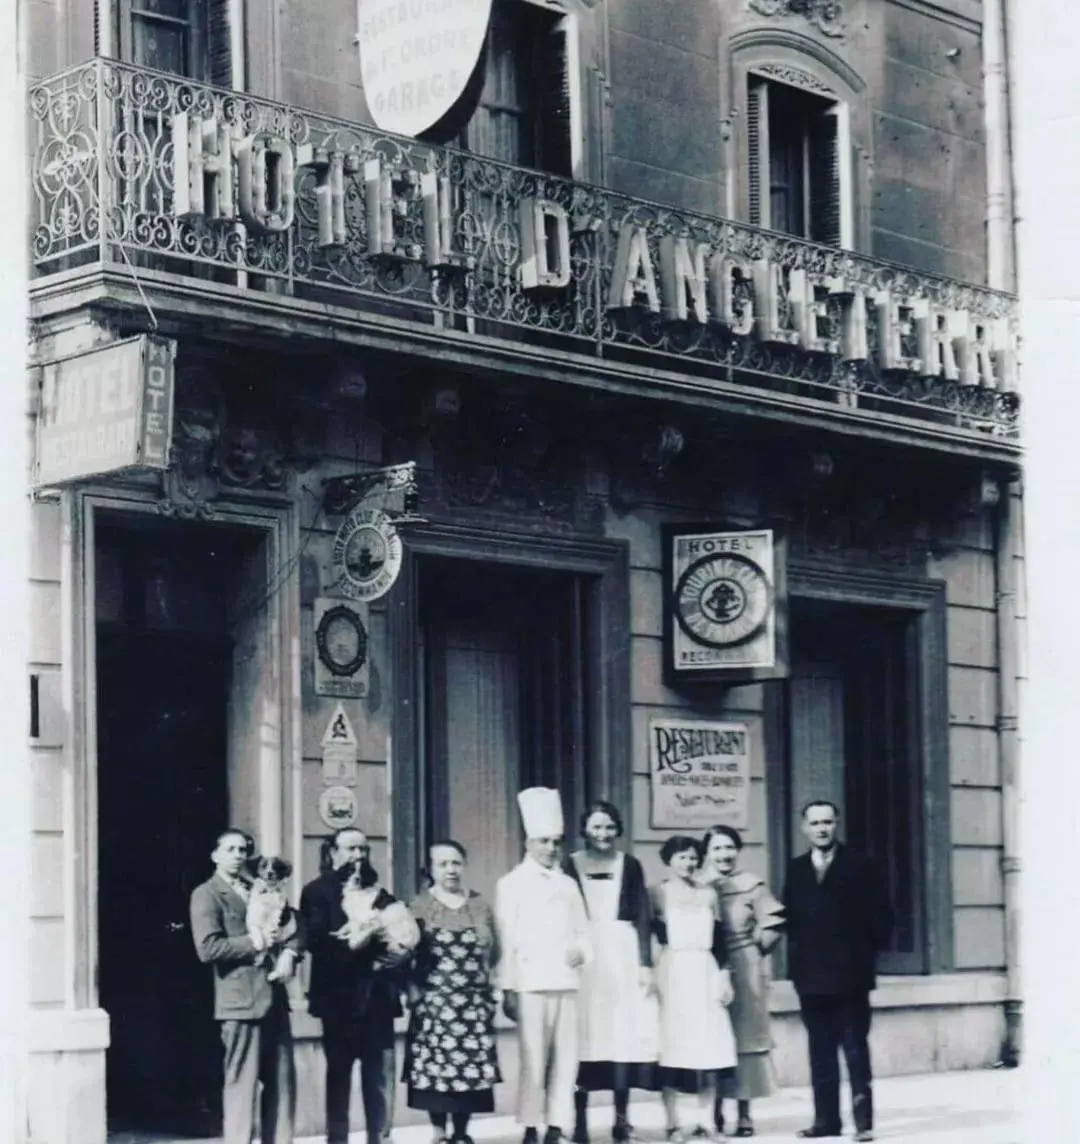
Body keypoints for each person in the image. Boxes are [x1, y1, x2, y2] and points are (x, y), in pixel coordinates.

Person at [300, 828, 421, 1144]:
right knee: (338, 1075)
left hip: (378, 998)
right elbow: (315, 942)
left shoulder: (381, 894)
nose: (358, 857)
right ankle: (337, 1139)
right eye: (351, 849)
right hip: (338, 1000)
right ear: (332, 852)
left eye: (364, 850)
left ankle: (380, 1138)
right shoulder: (316, 892)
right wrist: (361, 941)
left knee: (379, 1076)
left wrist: (401, 953)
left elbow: (403, 931)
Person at [783, 802, 892, 1142]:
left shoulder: (861, 865)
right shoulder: (797, 868)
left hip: (850, 977)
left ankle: (863, 1124)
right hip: (811, 978)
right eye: (815, 823)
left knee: (855, 1049)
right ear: (804, 828)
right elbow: (792, 919)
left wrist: (861, 957)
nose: (822, 829)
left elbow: (882, 918)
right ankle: (825, 1121)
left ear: (837, 824)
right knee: (820, 1051)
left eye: (828, 822)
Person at [189, 828, 305, 1144]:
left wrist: (291, 954)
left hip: (274, 998)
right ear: (215, 855)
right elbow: (208, 949)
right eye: (230, 850)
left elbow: (296, 925)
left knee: (282, 1085)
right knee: (241, 1085)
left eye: (242, 850)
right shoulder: (207, 893)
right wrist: (255, 942)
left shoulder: (263, 888)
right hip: (240, 1002)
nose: (238, 855)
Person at [495, 787, 593, 1144]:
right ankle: (531, 1127)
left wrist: (581, 951)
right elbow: (506, 940)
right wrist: (506, 987)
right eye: (543, 842)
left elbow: (585, 931)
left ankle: (557, 1125)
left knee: (566, 1060)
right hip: (530, 982)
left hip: (566, 982)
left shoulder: (568, 885)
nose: (551, 848)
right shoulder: (511, 884)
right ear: (528, 844)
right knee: (533, 1060)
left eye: (556, 842)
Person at [563, 800, 658, 1144]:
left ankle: (621, 1120)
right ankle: (580, 1124)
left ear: (618, 830)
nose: (603, 834)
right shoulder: (570, 864)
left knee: (622, 1038)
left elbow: (644, 916)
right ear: (585, 830)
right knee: (583, 1039)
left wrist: (646, 963)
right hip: (585, 956)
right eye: (596, 827)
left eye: (609, 827)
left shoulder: (629, 865)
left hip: (622, 955)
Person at [404, 839, 502, 1144]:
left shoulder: (480, 905)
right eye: (443, 864)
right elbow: (403, 954)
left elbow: (495, 951)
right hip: (434, 1001)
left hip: (472, 1004)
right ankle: (438, 1132)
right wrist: (412, 990)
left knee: (469, 1069)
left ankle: (461, 1132)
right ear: (431, 869)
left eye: (456, 863)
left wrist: (489, 990)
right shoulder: (418, 906)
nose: (451, 870)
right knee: (434, 1068)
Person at [700, 826, 785, 1139]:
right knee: (713, 1038)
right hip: (707, 968)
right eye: (717, 849)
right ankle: (714, 1110)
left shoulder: (751, 885)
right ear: (706, 853)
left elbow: (774, 924)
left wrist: (755, 950)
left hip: (745, 969)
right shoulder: (697, 885)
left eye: (729, 848)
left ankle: (745, 1113)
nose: (724, 855)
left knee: (745, 1039)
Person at [650, 835, 736, 1143]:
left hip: (704, 969)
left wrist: (724, 975)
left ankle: (706, 1120)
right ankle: (673, 1122)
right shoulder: (658, 893)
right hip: (672, 972)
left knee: (709, 1046)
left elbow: (721, 940)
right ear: (669, 860)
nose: (687, 863)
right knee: (673, 1045)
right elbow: (651, 937)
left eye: (692, 857)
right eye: (681, 857)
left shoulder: (709, 893)